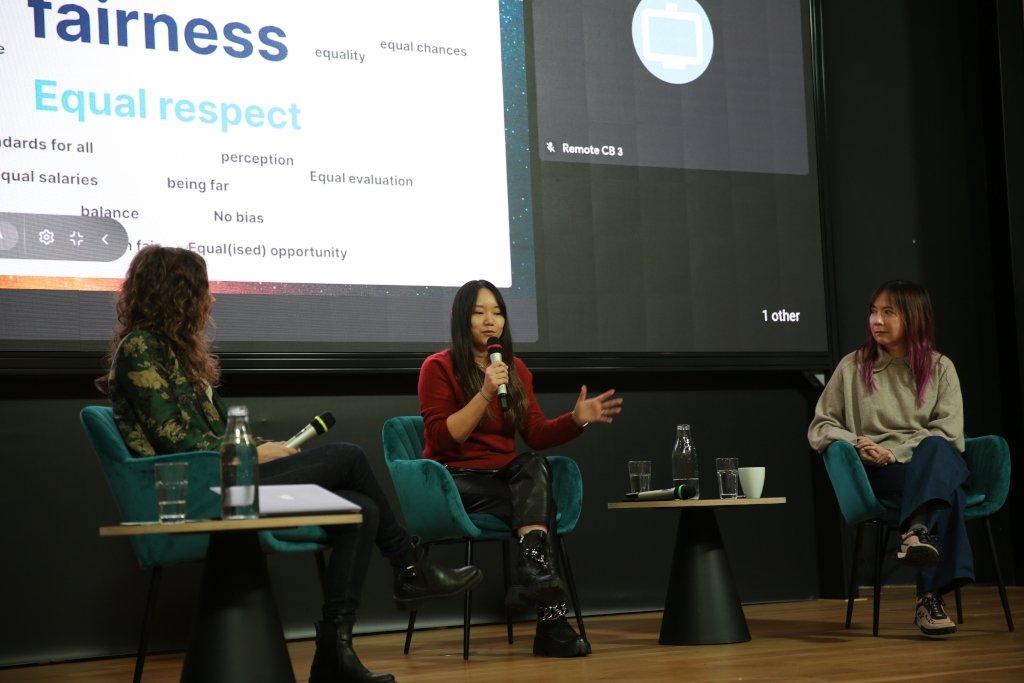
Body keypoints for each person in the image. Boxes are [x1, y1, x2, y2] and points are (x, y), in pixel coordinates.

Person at [97, 245, 483, 683]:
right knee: (350, 456)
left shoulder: (177, 355)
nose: (212, 300)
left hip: (224, 477)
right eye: (203, 290)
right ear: (177, 294)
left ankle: (335, 653)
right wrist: (254, 453)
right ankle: (409, 566)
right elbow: (176, 442)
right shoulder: (141, 349)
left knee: (362, 510)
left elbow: (222, 431)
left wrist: (268, 446)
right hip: (193, 489)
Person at [417, 279, 623, 657]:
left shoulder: (515, 370)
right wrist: (483, 392)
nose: (489, 321)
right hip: (455, 480)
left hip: (506, 479)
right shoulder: (438, 368)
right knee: (540, 508)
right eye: (479, 313)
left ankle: (532, 573)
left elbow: (536, 434)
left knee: (533, 465)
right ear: (460, 318)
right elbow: (444, 439)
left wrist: (576, 419)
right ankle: (553, 624)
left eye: (497, 312)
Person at [807, 280, 972, 637]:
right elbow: (822, 425)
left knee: (937, 450)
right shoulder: (852, 367)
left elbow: (950, 433)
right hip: (883, 471)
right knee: (951, 492)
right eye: (873, 311)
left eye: (888, 312)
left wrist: (896, 449)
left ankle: (915, 534)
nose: (876, 321)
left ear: (913, 318)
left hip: (928, 461)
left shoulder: (941, 368)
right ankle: (927, 592)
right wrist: (860, 444)